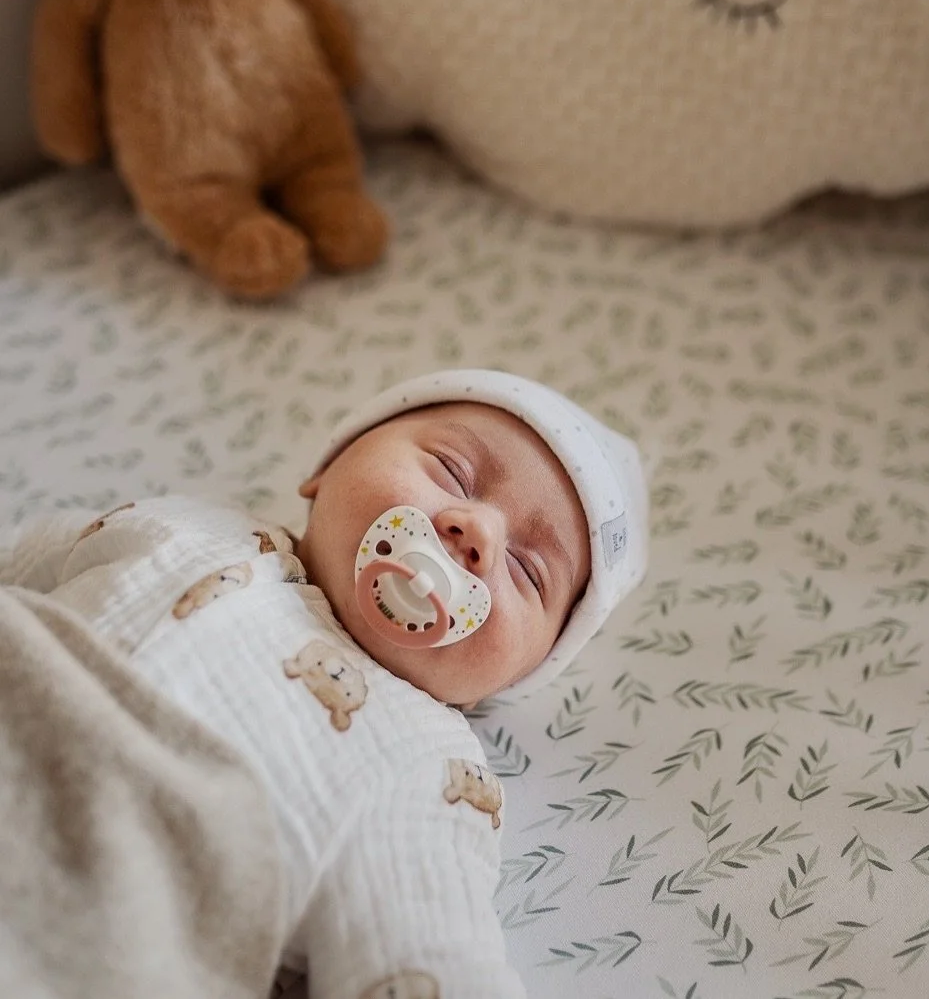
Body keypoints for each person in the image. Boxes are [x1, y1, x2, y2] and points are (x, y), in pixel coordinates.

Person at [0, 368, 648, 999]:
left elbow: (430, 962)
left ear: (507, 680)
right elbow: (22, 556)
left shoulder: (428, 769)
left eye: (529, 571)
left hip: (92, 913)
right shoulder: (185, 522)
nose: (478, 531)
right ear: (326, 470)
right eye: (452, 470)